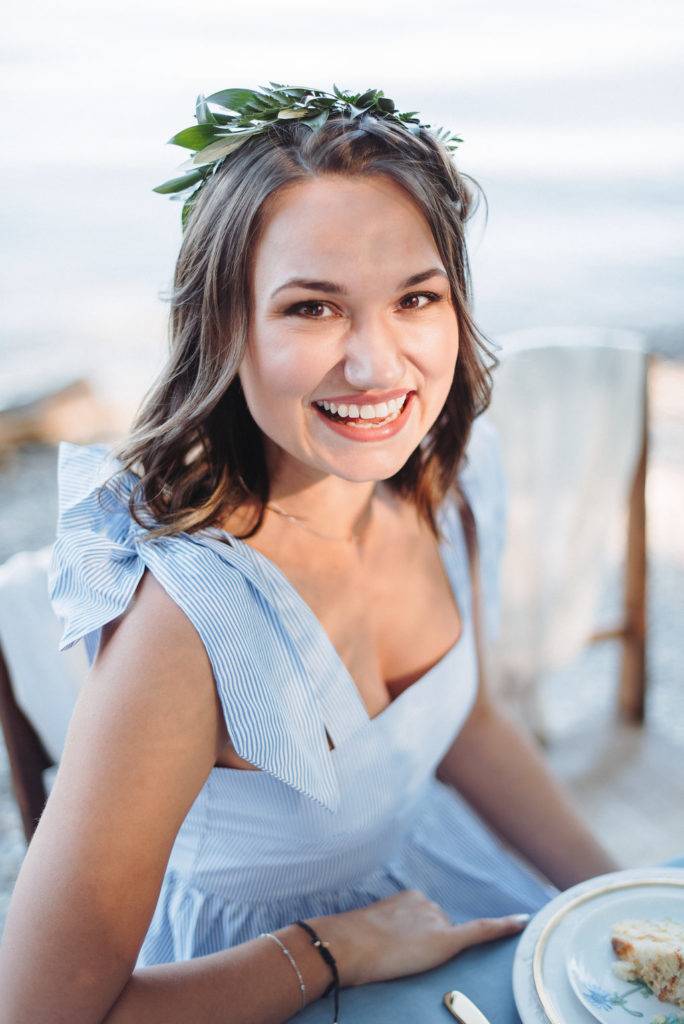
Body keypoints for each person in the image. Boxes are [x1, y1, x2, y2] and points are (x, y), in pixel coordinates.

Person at [0, 84, 623, 1024]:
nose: (378, 367)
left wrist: (620, 901)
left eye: (417, 297)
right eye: (313, 309)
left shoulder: (450, 483)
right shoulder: (187, 628)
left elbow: (471, 725)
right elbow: (40, 1011)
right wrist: (334, 949)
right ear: (227, 327)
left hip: (433, 894)